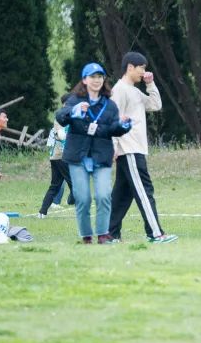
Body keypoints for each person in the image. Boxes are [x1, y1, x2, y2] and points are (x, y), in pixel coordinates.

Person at [56, 63, 131, 244]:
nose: (96, 80)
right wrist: (74, 111)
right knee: (83, 198)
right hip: (77, 156)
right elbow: (61, 116)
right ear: (84, 80)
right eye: (92, 77)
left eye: (99, 77)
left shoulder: (110, 105)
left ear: (103, 80)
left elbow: (113, 129)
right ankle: (86, 236)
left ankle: (103, 234)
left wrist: (123, 126)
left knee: (103, 196)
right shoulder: (75, 100)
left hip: (101, 156)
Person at [109, 52, 177, 244]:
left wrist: (150, 84)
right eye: (142, 68)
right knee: (144, 191)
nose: (144, 72)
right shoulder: (119, 90)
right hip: (129, 149)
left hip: (136, 148)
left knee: (122, 195)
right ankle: (155, 234)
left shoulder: (134, 91)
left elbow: (155, 105)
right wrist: (113, 146)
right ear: (130, 67)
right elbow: (113, 119)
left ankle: (109, 234)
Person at [35, 117, 75, 217]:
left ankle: (42, 212)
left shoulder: (71, 118)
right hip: (61, 157)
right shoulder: (60, 119)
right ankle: (72, 202)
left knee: (55, 186)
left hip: (57, 157)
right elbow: (61, 136)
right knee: (75, 184)